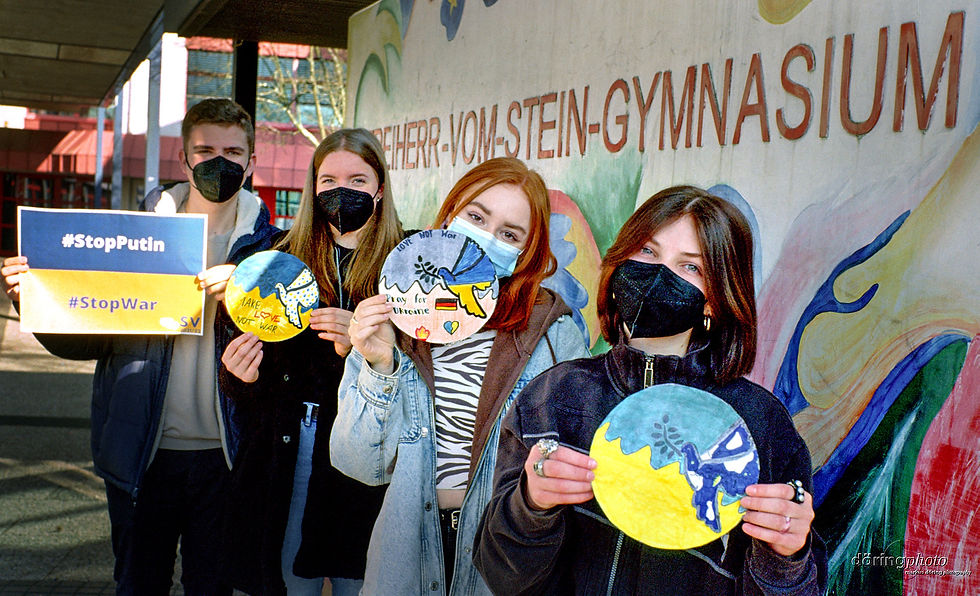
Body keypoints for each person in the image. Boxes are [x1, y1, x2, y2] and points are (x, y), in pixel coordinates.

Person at [472, 185, 828, 594]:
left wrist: (787, 556)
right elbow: (500, 574)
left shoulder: (761, 426)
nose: (660, 274)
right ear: (623, 258)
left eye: (690, 267)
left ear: (715, 299)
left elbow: (800, 587)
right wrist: (530, 505)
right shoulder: (554, 397)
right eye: (648, 251)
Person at [0, 98, 278, 595]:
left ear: (253, 161)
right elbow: (89, 340)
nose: (221, 161)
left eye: (234, 150)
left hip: (228, 458)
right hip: (143, 456)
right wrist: (35, 300)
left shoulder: (276, 250)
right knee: (138, 585)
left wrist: (251, 289)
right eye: (206, 149)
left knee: (210, 587)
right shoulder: (133, 239)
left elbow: (289, 355)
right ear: (184, 159)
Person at [329, 156, 591, 595]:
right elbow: (359, 466)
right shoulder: (398, 311)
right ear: (449, 215)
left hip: (503, 563)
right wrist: (377, 366)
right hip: (406, 557)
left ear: (527, 251)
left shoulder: (553, 332)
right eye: (476, 216)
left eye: (510, 233)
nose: (488, 238)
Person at [217, 128, 402, 595]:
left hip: (378, 457)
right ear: (312, 188)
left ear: (380, 188)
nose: (342, 192)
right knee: (290, 580)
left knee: (361, 581)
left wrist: (365, 353)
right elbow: (251, 380)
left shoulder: (408, 262)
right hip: (294, 449)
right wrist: (240, 375)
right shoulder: (274, 258)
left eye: (358, 180)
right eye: (328, 180)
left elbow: (430, 367)